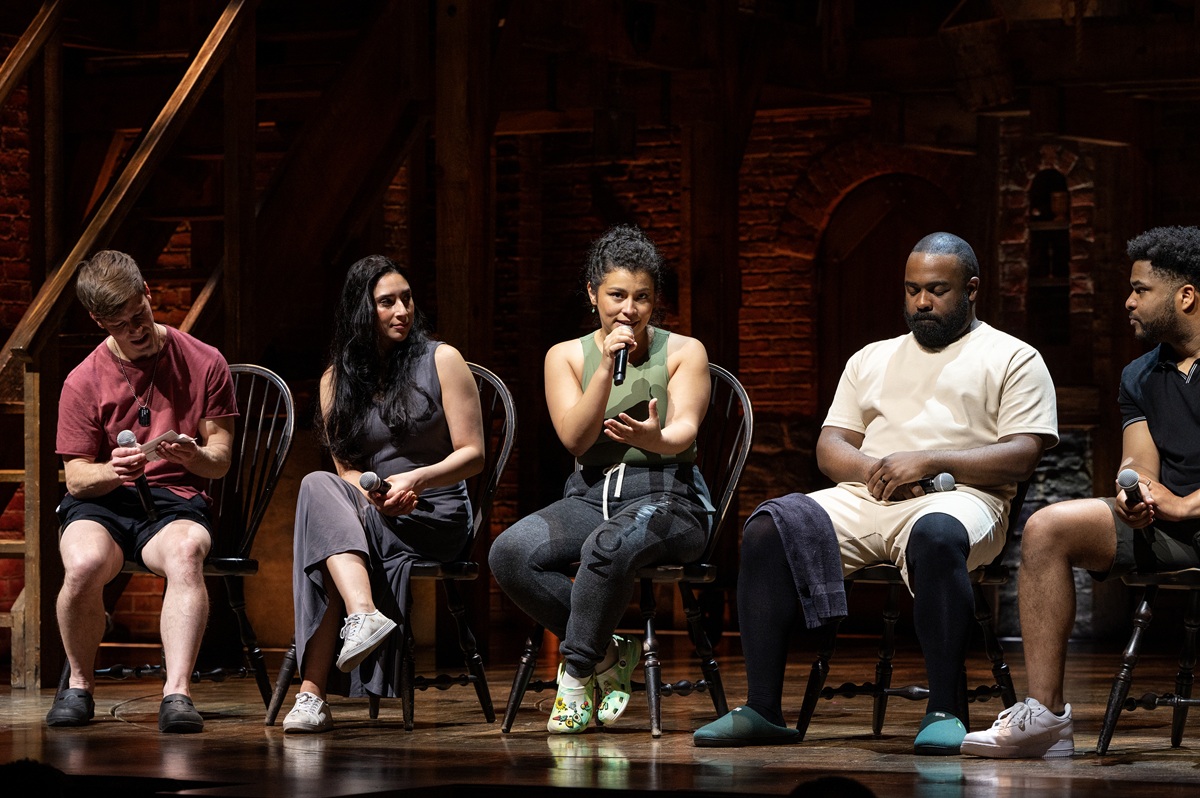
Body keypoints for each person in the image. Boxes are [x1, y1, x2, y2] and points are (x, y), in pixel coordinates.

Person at [693, 232, 1058, 754]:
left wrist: (930, 460)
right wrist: (874, 469)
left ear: (972, 289)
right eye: (912, 290)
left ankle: (945, 709)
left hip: (964, 498)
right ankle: (763, 709)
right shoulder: (872, 357)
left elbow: (1023, 453)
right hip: (870, 494)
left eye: (937, 290)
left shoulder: (1012, 356)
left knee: (935, 534)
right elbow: (830, 445)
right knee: (769, 526)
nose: (922, 303)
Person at [962, 225, 1200, 759]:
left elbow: (1185, 500)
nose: (1128, 300)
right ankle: (1046, 718)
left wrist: (1186, 503)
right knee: (1049, 526)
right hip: (1175, 531)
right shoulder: (1140, 374)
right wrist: (1134, 494)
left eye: (1141, 289)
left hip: (1192, 513)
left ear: (1185, 296)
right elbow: (1138, 458)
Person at [489, 224, 713, 734]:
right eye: (616, 295)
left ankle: (576, 674)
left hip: (667, 497)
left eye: (642, 298)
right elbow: (574, 439)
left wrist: (654, 438)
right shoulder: (565, 356)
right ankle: (610, 653)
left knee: (607, 546)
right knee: (509, 553)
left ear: (656, 301)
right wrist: (603, 368)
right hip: (590, 496)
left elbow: (683, 433)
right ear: (593, 294)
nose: (628, 310)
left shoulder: (684, 352)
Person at [282, 254, 485, 733]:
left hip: (435, 509)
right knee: (321, 493)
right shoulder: (337, 380)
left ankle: (312, 693)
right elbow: (345, 471)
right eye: (386, 302)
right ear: (361, 310)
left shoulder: (442, 359)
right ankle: (362, 616)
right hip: (375, 506)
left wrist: (416, 480)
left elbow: (473, 454)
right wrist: (375, 494)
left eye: (407, 299)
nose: (402, 311)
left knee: (325, 533)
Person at [47, 250, 238, 733]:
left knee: (187, 552)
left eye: (140, 314)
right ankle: (78, 685)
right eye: (119, 324)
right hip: (104, 501)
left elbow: (221, 461)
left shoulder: (204, 360)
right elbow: (76, 479)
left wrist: (192, 456)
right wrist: (113, 469)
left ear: (149, 293)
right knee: (85, 562)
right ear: (98, 322)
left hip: (174, 501)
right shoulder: (82, 380)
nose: (135, 329)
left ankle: (177, 693)